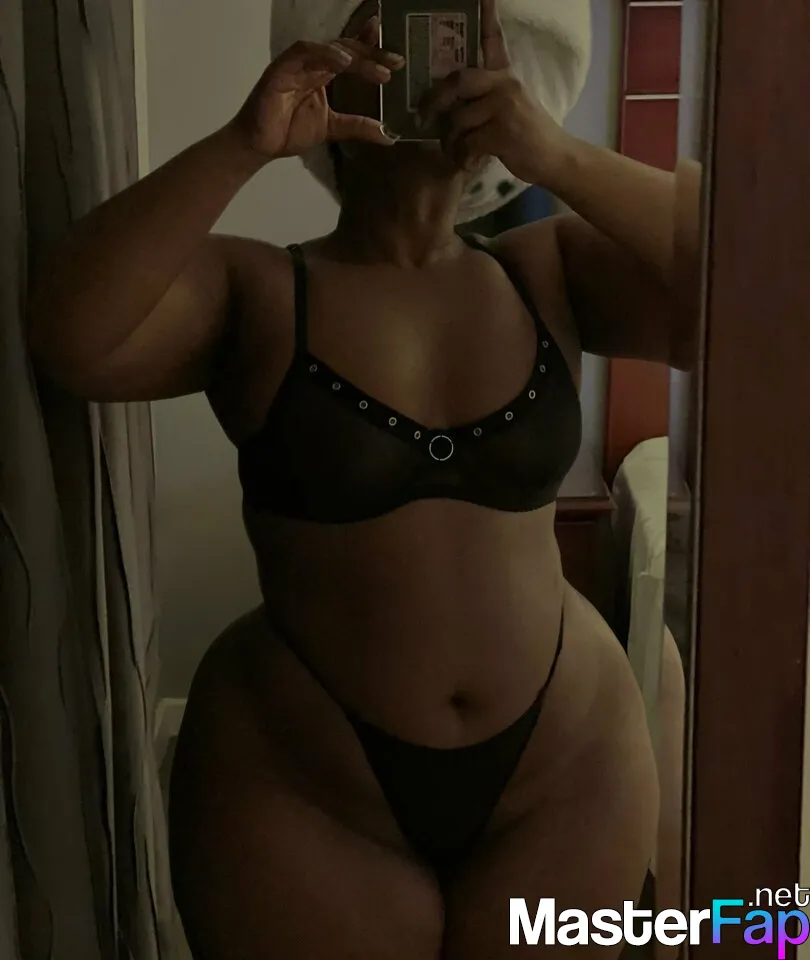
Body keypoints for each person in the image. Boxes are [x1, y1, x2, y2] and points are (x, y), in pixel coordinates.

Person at [27, 1, 698, 956]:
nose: (426, 67)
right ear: (328, 56)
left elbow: (762, 284)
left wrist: (553, 153)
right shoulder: (257, 290)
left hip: (565, 768)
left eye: (456, 35)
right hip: (304, 782)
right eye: (386, 30)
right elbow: (71, 335)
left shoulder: (548, 271)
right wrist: (244, 144)